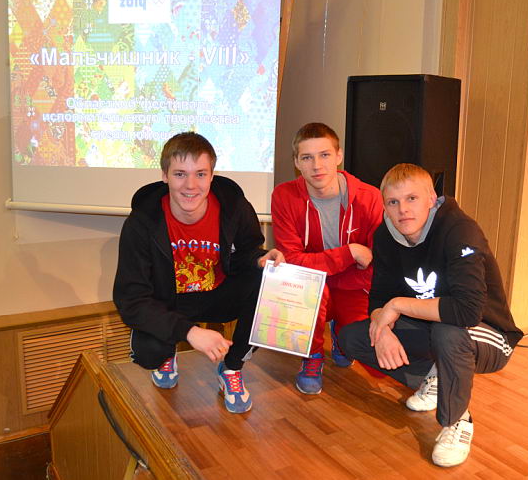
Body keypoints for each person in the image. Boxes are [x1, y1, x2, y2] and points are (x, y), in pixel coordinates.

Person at [338, 163, 523, 467]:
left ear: (431, 199)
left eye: (411, 198)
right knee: (353, 338)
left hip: (487, 333)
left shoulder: (459, 230)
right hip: (431, 327)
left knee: (448, 331)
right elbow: (379, 298)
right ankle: (435, 378)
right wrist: (382, 329)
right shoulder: (385, 236)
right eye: (393, 202)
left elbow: (466, 310)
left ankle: (457, 421)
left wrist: (396, 306)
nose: (402, 210)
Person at [113, 132, 283, 414]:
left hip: (217, 294)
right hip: (168, 301)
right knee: (148, 352)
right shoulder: (141, 222)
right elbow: (131, 300)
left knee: (267, 281)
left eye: (200, 174)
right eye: (180, 174)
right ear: (165, 176)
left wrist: (260, 259)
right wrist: (188, 332)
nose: (190, 185)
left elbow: (247, 252)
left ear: (212, 176)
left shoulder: (234, 206)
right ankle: (166, 354)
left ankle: (231, 369)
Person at [271, 122, 383, 394]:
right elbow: (292, 261)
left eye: (324, 155)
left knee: (369, 355)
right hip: (311, 282)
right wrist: (349, 252)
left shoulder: (370, 197)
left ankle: (340, 331)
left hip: (353, 282)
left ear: (339, 156)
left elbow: (377, 261)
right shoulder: (284, 196)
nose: (317, 166)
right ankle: (312, 355)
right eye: (307, 158)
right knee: (301, 285)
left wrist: (341, 269)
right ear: (296, 162)